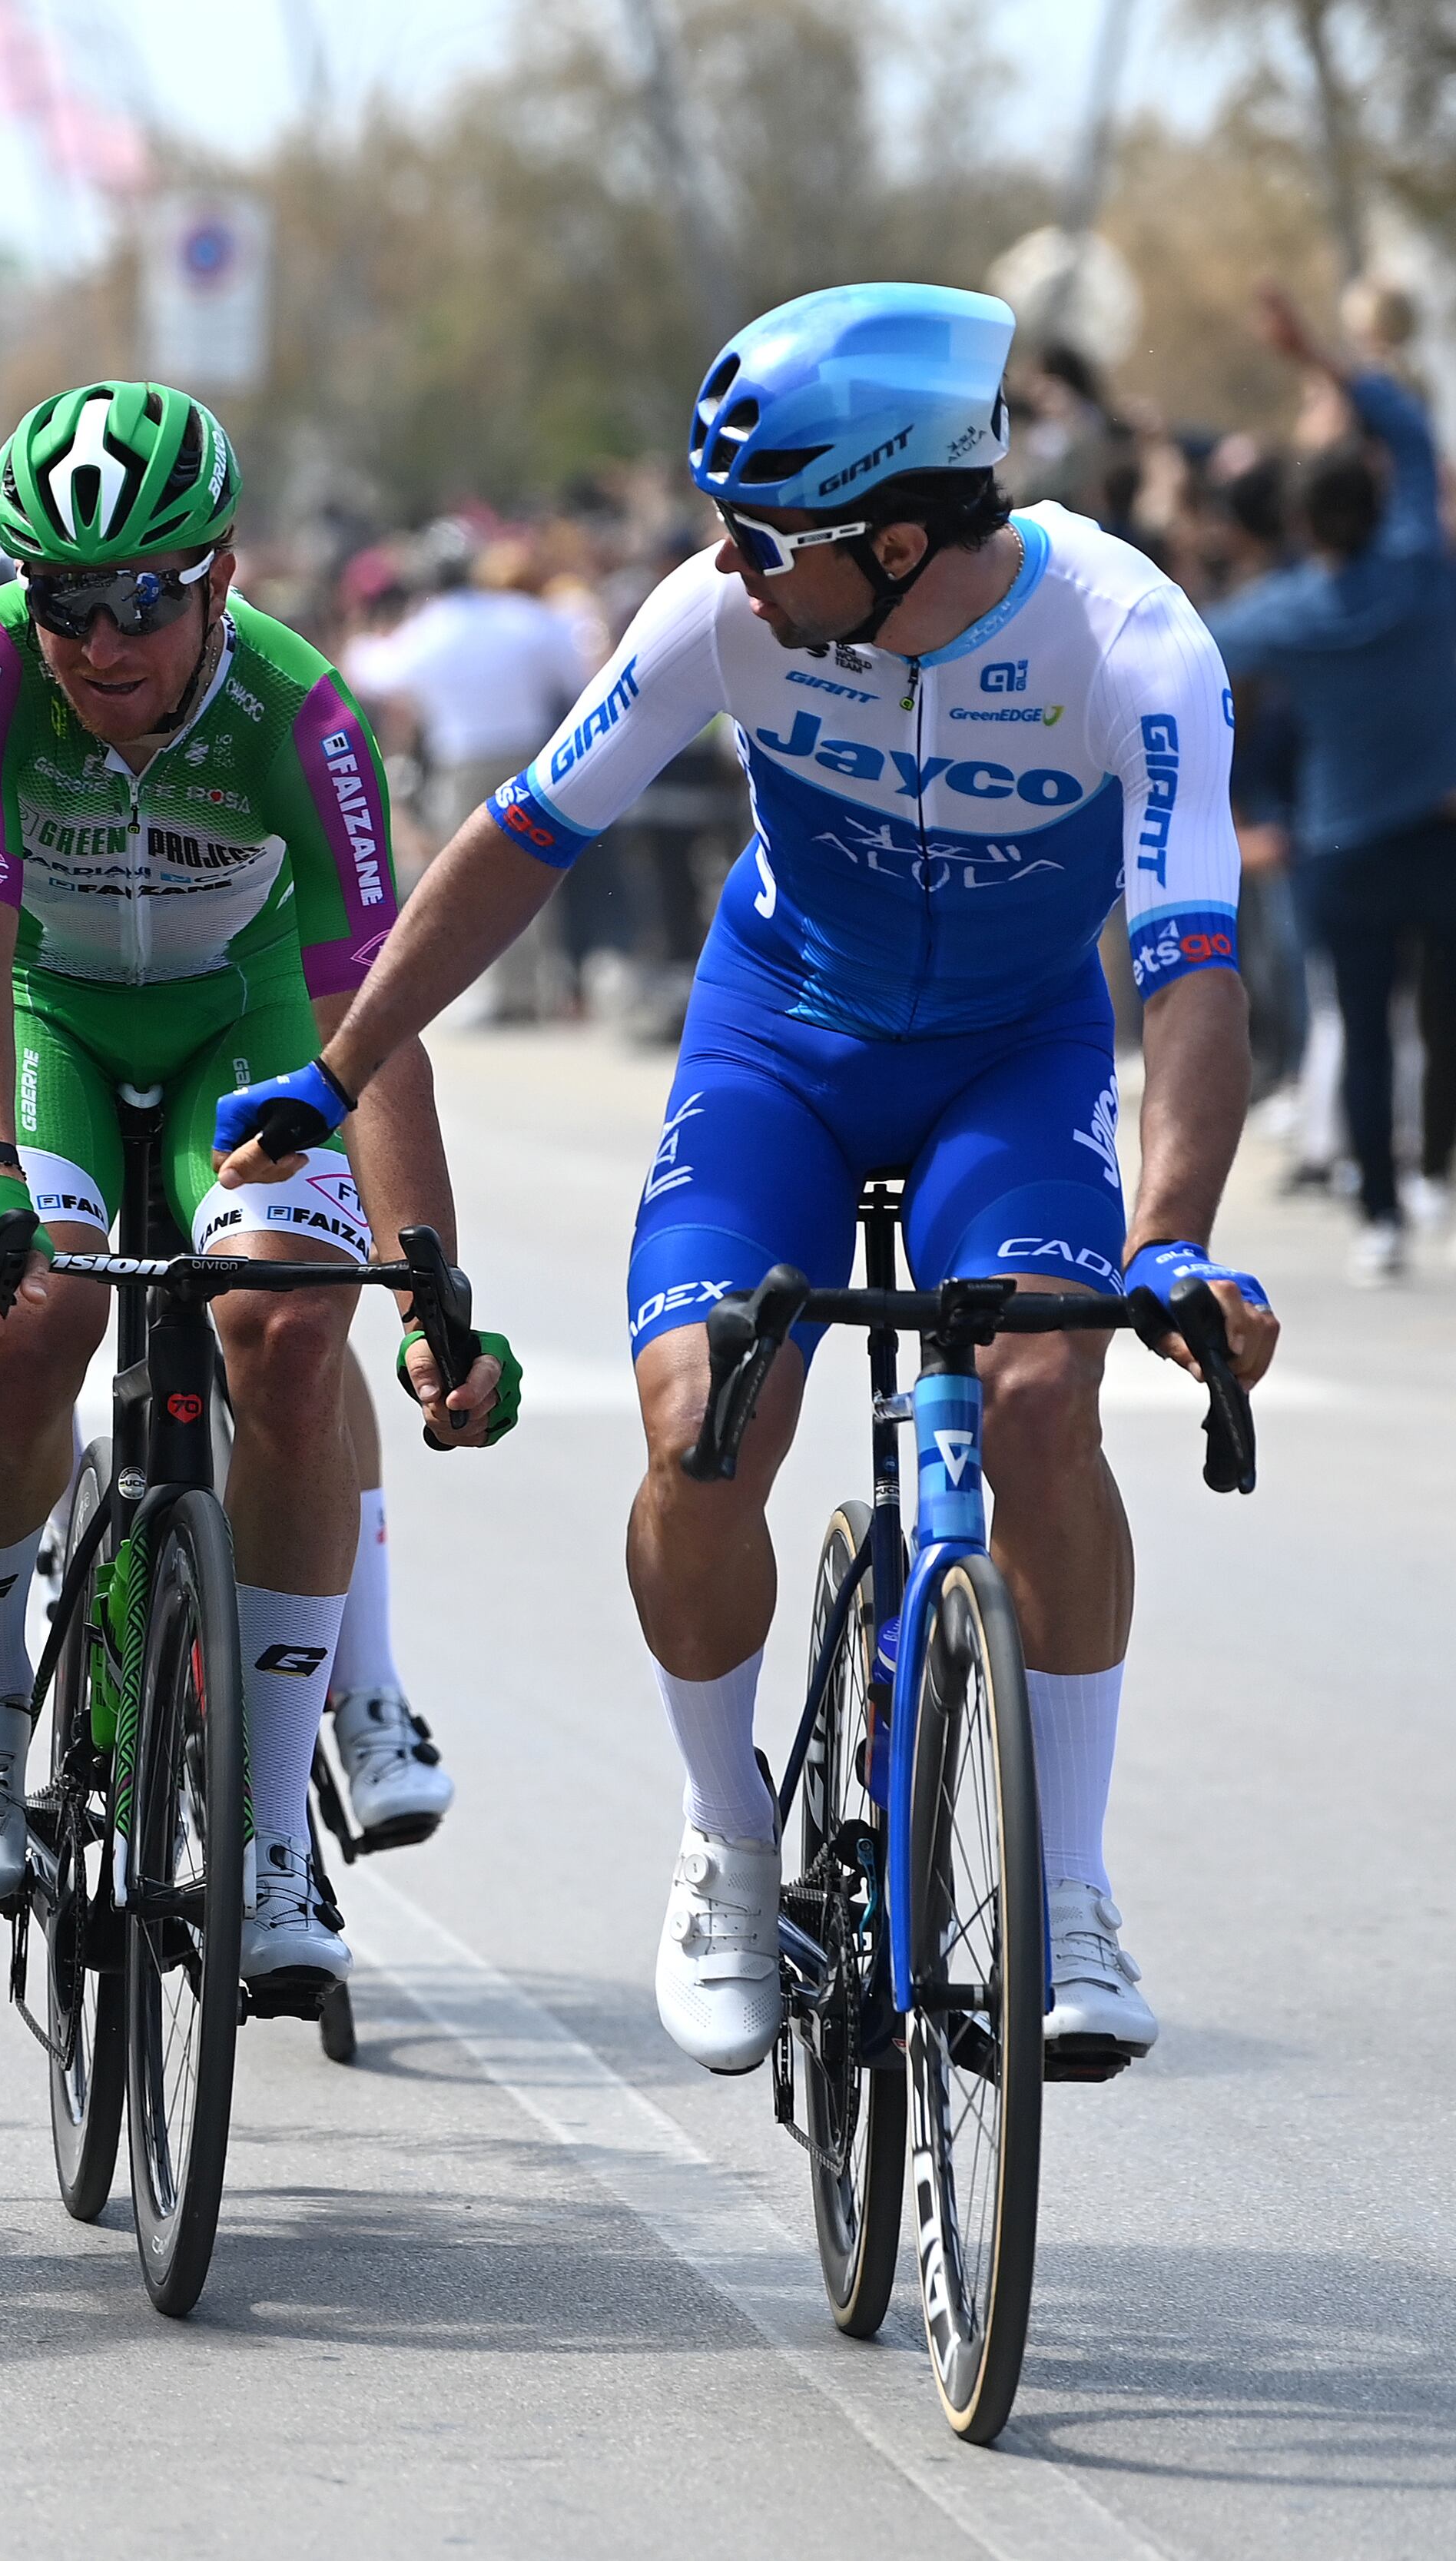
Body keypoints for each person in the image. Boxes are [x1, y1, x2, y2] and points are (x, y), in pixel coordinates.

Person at [239, 283, 1279, 2078]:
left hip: (1011, 1059)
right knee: (699, 1426)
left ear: (895, 537)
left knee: (1043, 1400)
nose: (726, 564)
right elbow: (522, 838)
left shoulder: (1129, 637)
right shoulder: (722, 617)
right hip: (778, 1044)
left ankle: (1070, 1882)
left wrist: (1172, 1240)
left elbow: (1191, 967)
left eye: (763, 534)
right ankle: (726, 1839)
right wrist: (340, 1074)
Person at [0, 383, 512, 1999]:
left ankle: (270, 1824)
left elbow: (369, 1020)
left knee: (292, 1336)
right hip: (50, 1018)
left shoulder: (303, 715)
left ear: (220, 575)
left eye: (140, 600)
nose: (99, 643)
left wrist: (430, 1284)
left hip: (245, 1027)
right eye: (65, 602)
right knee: (29, 1312)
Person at [1206, 281, 1456, 1285]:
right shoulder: (1420, 564)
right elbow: (1409, 427)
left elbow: (1187, 653)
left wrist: (1219, 815)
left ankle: (1380, 1217)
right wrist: (1314, 352)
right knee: (1442, 1022)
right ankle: (1433, 1172)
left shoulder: (1289, 612)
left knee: (1357, 1028)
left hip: (1341, 844)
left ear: (1305, 523)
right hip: (1438, 830)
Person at [350, 519, 594, 1019]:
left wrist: (360, 630)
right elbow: (575, 666)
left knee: (472, 877)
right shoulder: (521, 616)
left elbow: (372, 672)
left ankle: (502, 994)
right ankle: (546, 988)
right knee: (539, 871)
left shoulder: (429, 628)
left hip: (464, 760)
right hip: (533, 756)